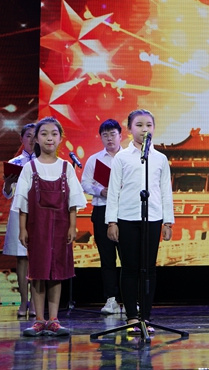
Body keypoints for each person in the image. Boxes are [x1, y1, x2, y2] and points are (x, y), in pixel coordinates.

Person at [14, 116, 87, 337]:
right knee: (38, 273)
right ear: (36, 139)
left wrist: (72, 227)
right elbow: (22, 202)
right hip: (37, 227)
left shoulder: (66, 167)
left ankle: (54, 319)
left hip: (61, 227)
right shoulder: (30, 168)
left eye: (54, 134)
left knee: (57, 273)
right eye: (44, 134)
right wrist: (22, 229)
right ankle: (39, 320)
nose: (49, 138)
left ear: (60, 138)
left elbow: (73, 201)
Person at [106, 109, 175, 334]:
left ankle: (145, 316)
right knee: (129, 268)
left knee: (149, 269)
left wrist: (168, 222)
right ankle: (131, 317)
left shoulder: (160, 158)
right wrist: (111, 221)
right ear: (129, 129)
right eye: (139, 125)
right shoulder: (121, 157)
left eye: (148, 125)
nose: (144, 129)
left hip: (152, 217)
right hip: (127, 217)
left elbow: (165, 191)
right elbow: (114, 190)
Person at [81, 119, 124, 315]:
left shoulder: (128, 158)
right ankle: (111, 300)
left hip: (125, 211)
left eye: (112, 134)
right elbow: (85, 183)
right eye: (105, 135)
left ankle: (129, 300)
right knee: (107, 258)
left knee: (128, 258)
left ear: (120, 136)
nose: (109, 139)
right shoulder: (94, 160)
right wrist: (101, 191)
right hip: (102, 211)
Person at [2, 123, 35, 317]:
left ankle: (36, 303)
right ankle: (23, 301)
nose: (32, 139)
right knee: (21, 257)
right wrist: (8, 184)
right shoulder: (14, 162)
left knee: (38, 257)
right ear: (22, 139)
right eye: (28, 136)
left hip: (39, 211)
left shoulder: (44, 161)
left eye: (35, 136)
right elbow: (7, 194)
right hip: (19, 210)